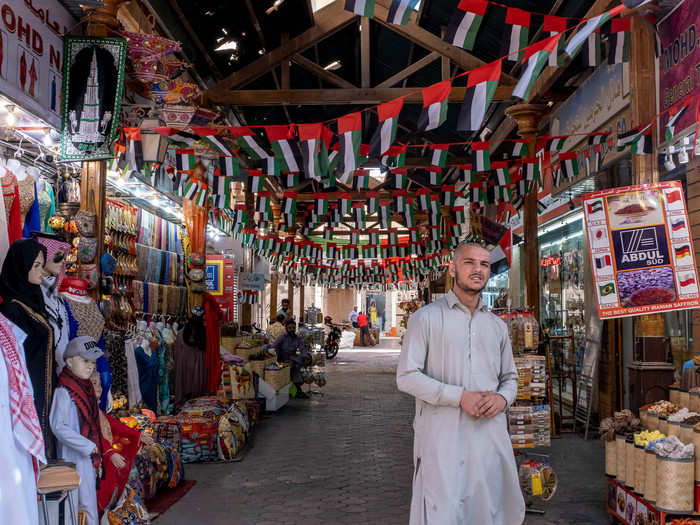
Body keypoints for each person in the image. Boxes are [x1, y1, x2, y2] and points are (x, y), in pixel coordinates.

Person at [396, 242, 524, 525]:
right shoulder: (426, 318)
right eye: (469, 263)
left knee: (489, 508)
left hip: (489, 437)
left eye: (484, 264)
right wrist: (458, 396)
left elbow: (510, 378)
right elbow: (406, 376)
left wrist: (503, 399)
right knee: (445, 509)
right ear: (452, 268)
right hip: (442, 438)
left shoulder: (497, 326)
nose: (478, 270)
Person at [271, 319, 310, 399]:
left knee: (298, 364)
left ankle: (296, 388)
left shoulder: (297, 338)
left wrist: (306, 357)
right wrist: (279, 355)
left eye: (293, 328)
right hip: (281, 359)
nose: (292, 330)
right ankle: (297, 390)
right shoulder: (282, 337)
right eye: (290, 328)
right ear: (286, 328)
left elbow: (302, 349)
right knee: (293, 367)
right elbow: (273, 347)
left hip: (292, 359)